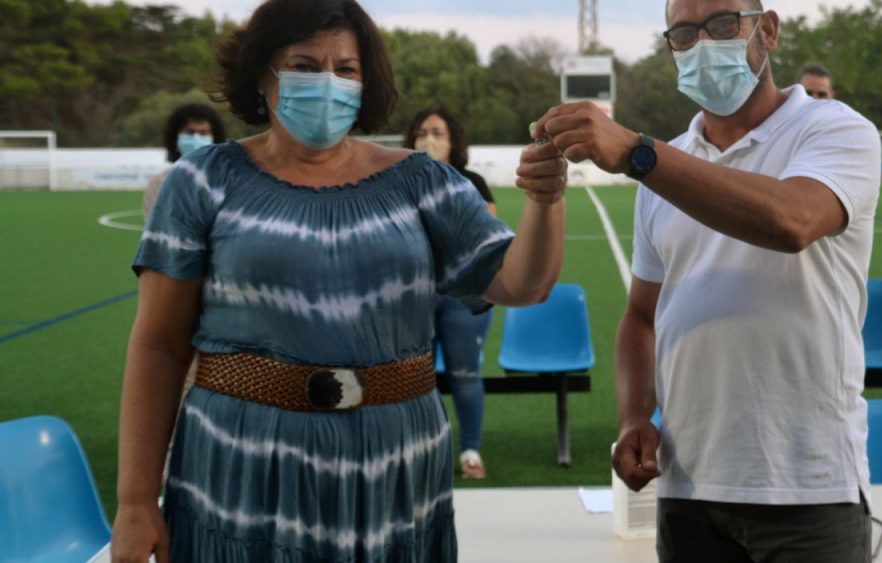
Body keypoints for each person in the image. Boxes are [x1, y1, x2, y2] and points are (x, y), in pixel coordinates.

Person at [110, 0, 567, 561]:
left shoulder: (424, 181)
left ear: (365, 80)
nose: (327, 83)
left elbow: (522, 285)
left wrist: (545, 201)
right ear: (262, 74)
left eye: (345, 69)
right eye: (303, 65)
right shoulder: (200, 184)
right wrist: (135, 501)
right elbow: (159, 345)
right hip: (240, 470)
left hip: (396, 469)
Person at [531, 1, 881, 561]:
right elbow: (642, 316)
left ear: (767, 30)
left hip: (808, 487)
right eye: (684, 33)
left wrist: (639, 154)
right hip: (688, 487)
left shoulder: (837, 130)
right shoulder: (665, 171)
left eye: (722, 24)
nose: (702, 44)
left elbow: (792, 221)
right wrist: (634, 417)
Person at [403, 107, 495, 480]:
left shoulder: (471, 182)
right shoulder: (399, 182)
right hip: (414, 294)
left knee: (463, 372)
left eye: (438, 132)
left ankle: (470, 450)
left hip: (461, 293)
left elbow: (485, 234)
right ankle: (422, 449)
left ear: (453, 140)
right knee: (411, 375)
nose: (430, 139)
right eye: (423, 132)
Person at [143, 103, 227, 217]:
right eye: (189, 132)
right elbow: (155, 227)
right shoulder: (159, 183)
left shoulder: (226, 181)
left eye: (204, 133)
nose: (196, 138)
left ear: (215, 139)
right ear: (175, 138)